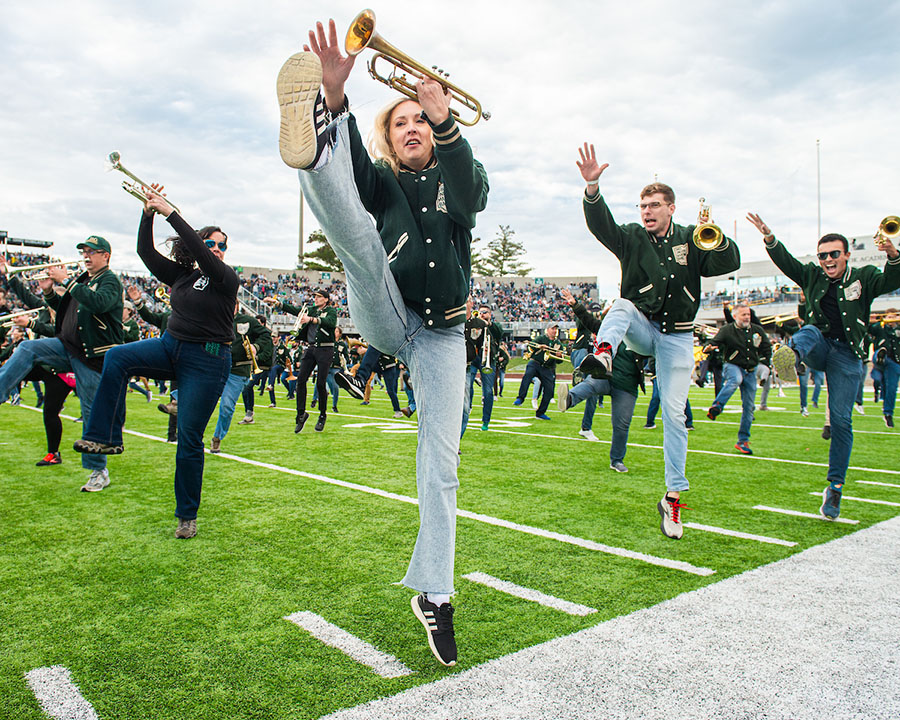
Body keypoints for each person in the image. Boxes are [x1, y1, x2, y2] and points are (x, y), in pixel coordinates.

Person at [276, 19, 487, 667]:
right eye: (401, 124)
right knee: (361, 242)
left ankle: (435, 594)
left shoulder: (460, 173)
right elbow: (360, 177)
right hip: (388, 309)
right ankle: (311, 146)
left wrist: (445, 119)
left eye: (419, 122)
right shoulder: (386, 181)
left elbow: (473, 197)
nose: (413, 128)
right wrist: (336, 102)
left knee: (442, 467)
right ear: (390, 139)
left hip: (443, 332)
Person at [575, 143, 740, 539]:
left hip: (679, 338)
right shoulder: (631, 236)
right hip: (643, 329)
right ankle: (603, 354)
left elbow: (729, 262)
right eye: (642, 205)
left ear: (671, 208)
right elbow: (602, 227)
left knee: (675, 416)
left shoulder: (691, 237)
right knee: (622, 305)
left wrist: (715, 239)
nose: (646, 211)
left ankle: (672, 498)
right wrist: (593, 188)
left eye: (653, 205)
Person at [74, 188, 238, 539]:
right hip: (170, 346)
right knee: (117, 356)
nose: (219, 250)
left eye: (223, 245)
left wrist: (171, 213)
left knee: (189, 439)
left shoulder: (227, 278)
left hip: (207, 361)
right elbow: (144, 252)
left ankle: (186, 515)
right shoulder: (182, 276)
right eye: (213, 243)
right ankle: (105, 438)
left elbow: (204, 257)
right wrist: (148, 213)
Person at [747, 212, 900, 519]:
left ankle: (835, 488)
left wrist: (893, 254)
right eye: (822, 256)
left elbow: (892, 279)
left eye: (833, 254)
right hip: (817, 346)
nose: (827, 260)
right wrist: (769, 238)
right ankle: (791, 361)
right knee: (810, 331)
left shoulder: (865, 276)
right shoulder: (813, 275)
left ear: (846, 255)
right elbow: (788, 263)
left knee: (842, 422)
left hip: (848, 354)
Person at [0, 237, 124, 491]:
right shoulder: (83, 280)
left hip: (92, 356)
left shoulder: (110, 280)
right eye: (84, 252)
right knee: (27, 347)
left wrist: (65, 281)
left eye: (93, 252)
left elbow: (98, 303)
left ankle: (98, 471)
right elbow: (66, 308)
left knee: (91, 412)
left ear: (106, 256)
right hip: (68, 345)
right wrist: (47, 291)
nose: (86, 256)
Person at [558, 288, 643, 471]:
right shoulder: (610, 328)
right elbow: (590, 321)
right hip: (606, 376)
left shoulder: (642, 336)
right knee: (590, 384)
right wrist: (575, 304)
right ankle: (569, 399)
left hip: (627, 385)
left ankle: (616, 460)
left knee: (621, 425)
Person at [266, 288, 336, 433]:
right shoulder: (311, 309)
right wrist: (278, 304)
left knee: (321, 383)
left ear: (326, 299)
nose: (315, 299)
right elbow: (295, 310)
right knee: (300, 380)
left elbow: (330, 322)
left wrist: (311, 319)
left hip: (325, 349)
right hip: (311, 348)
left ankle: (322, 414)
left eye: (319, 297)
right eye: (315, 296)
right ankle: (301, 414)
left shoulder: (331, 311)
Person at [705, 303, 772, 455]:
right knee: (735, 380)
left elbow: (766, 347)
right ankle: (717, 406)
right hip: (733, 365)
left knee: (749, 408)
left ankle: (743, 441)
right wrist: (709, 346)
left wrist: (766, 361)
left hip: (750, 369)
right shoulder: (727, 330)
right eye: (743, 315)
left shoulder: (757, 331)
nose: (747, 317)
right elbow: (715, 342)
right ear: (735, 316)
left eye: (748, 314)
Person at [210, 305, 272, 453]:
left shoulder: (247, 321)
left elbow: (266, 334)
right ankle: (177, 403)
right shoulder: (216, 319)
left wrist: (256, 346)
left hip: (237, 370)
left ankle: (217, 437)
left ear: (236, 305)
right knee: (196, 396)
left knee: (226, 406)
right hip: (215, 366)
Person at [461, 301, 502, 434]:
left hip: (488, 358)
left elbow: (498, 335)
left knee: (488, 391)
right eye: (481, 312)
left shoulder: (494, 326)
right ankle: (469, 405)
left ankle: (486, 420)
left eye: (486, 312)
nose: (483, 314)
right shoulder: (474, 323)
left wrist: (488, 324)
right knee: (468, 382)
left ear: (490, 314)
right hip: (474, 357)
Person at [512, 325, 564, 420]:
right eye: (552, 329)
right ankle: (520, 398)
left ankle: (540, 413)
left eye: (556, 329)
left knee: (549, 390)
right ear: (547, 330)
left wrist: (559, 356)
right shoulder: (541, 338)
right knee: (527, 376)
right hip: (535, 363)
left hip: (547, 368)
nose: (554, 331)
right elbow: (531, 345)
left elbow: (560, 361)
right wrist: (539, 346)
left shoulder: (558, 343)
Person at [868, 313, 899, 427]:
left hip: (894, 362)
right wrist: (871, 320)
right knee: (877, 378)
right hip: (880, 361)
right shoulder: (879, 328)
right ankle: (880, 356)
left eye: (894, 317)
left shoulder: (898, 330)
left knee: (891, 387)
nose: (891, 320)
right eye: (889, 317)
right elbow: (868, 329)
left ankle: (888, 414)